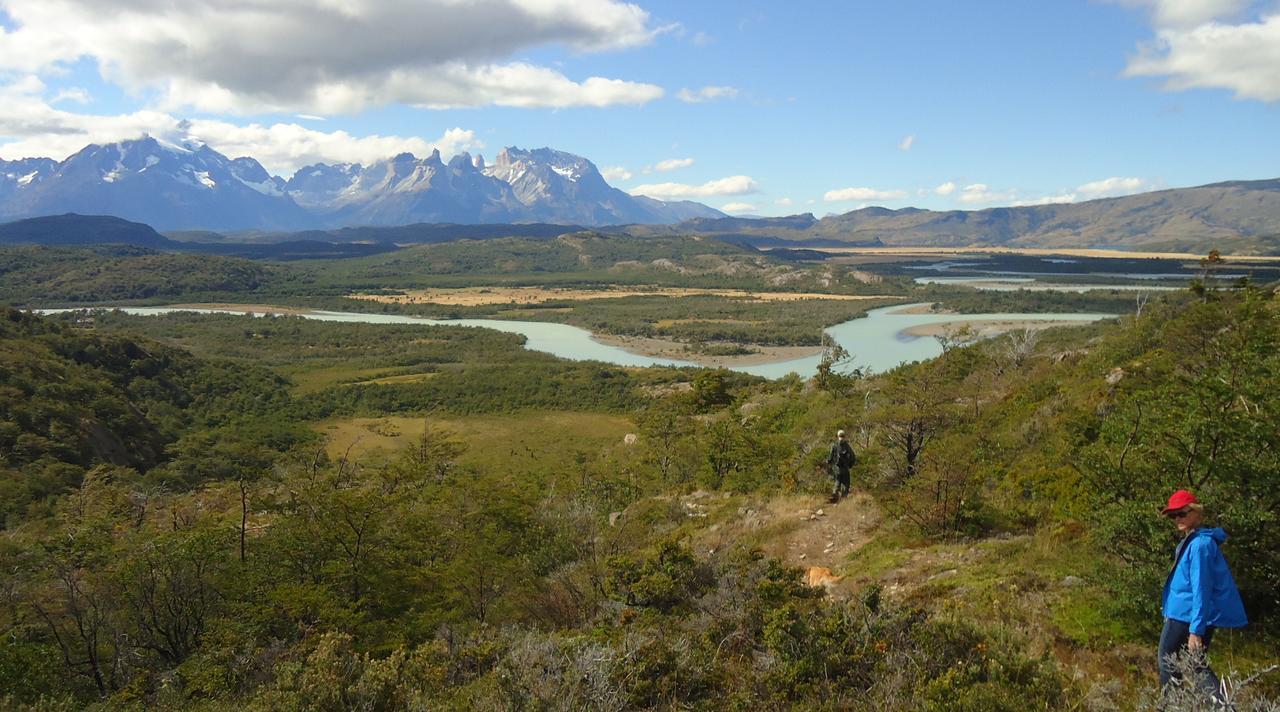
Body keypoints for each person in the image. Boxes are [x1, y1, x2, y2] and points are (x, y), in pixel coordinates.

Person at [1157, 489, 1248, 701]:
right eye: (1173, 515)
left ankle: (1175, 705)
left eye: (1182, 513)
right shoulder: (1195, 541)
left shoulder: (1199, 545)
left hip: (1186, 617)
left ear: (1196, 513)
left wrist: (1196, 630)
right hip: (1186, 615)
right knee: (1194, 665)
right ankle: (1217, 705)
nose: (1177, 518)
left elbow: (1201, 588)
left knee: (1169, 662)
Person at [827, 429, 854, 503]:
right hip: (845, 468)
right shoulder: (847, 445)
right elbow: (853, 456)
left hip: (836, 468)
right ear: (844, 436)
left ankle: (834, 496)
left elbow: (830, 457)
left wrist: (829, 464)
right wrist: (850, 465)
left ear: (837, 436)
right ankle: (844, 499)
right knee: (846, 483)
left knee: (837, 481)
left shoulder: (834, 445)